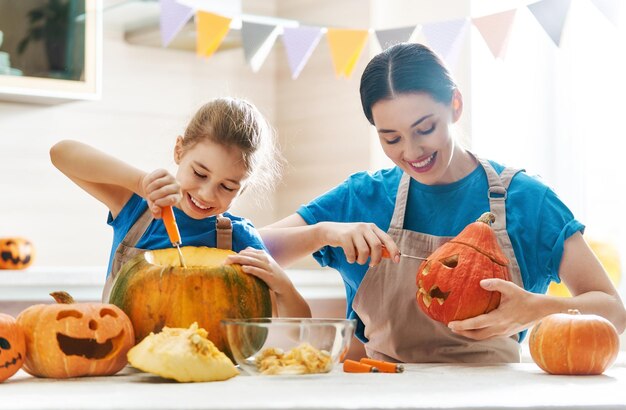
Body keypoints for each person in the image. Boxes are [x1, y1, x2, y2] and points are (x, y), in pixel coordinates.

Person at [260, 43, 626, 363]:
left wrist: (536, 309)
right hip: (382, 393)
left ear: (454, 104)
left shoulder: (527, 200)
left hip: (492, 399)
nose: (411, 151)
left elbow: (613, 310)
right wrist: (321, 232)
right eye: (391, 138)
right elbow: (247, 251)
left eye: (425, 129)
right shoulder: (362, 197)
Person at [50, 97, 310, 318]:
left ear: (243, 188)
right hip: (124, 371)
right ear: (179, 150)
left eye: (227, 187)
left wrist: (284, 286)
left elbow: (297, 327)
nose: (207, 194)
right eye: (199, 173)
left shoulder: (240, 239)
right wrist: (140, 182)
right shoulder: (135, 210)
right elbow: (61, 153)